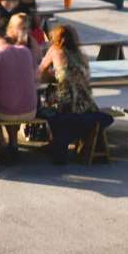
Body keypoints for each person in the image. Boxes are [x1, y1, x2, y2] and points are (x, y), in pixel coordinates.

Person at [37, 24, 110, 163]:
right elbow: (81, 78)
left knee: (44, 101)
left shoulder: (55, 51)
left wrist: (53, 75)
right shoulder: (81, 55)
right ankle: (56, 140)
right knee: (59, 93)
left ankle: (53, 139)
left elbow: (39, 72)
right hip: (87, 104)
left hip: (67, 105)